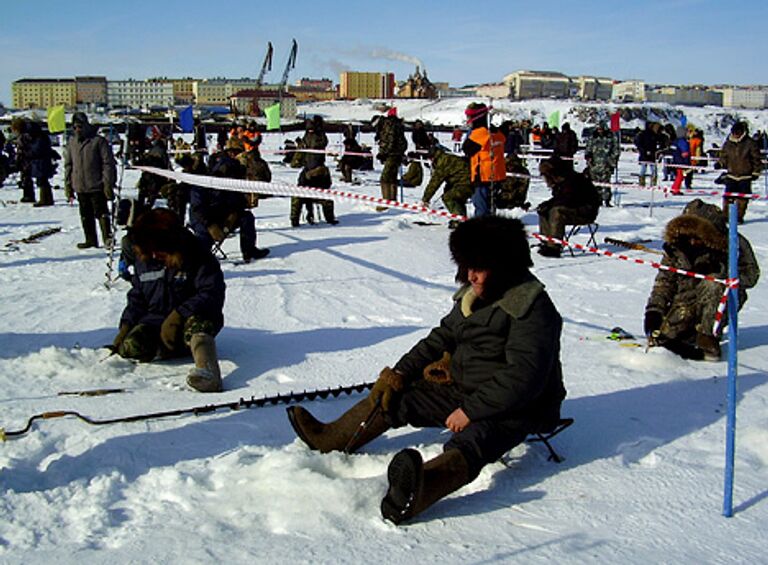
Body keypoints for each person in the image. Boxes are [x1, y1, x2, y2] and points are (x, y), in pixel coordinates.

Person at [286, 215, 566, 525]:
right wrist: (399, 374)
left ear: (504, 267)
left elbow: (523, 378)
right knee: (398, 397)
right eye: (467, 266)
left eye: (480, 268)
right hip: (465, 389)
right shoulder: (473, 297)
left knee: (475, 438)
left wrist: (470, 411)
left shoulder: (532, 308)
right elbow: (441, 337)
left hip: (519, 405)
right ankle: (333, 437)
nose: (471, 276)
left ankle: (418, 490)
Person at [111, 208, 226, 392]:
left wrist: (178, 315)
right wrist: (125, 327)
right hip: (156, 323)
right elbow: (137, 298)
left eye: (159, 250)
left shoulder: (198, 255)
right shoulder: (145, 259)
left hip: (191, 320)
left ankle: (207, 371)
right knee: (132, 346)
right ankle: (166, 351)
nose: (155, 255)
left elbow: (211, 292)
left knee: (199, 325)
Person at [644, 199, 760, 361]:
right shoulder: (676, 246)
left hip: (724, 298)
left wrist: (723, 277)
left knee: (713, 283)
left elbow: (751, 275)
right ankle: (692, 333)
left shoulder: (734, 243)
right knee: (664, 338)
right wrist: (654, 312)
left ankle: (707, 336)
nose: (692, 240)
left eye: (697, 235)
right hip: (686, 298)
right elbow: (664, 282)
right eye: (688, 234)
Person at [64, 112, 116, 249]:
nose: (77, 130)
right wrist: (68, 185)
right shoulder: (72, 142)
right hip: (80, 186)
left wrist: (108, 183)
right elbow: (68, 164)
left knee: (101, 213)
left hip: (97, 184)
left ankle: (107, 238)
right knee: (85, 215)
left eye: (80, 126)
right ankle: (90, 239)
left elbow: (108, 163)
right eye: (74, 127)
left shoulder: (98, 141)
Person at [536, 156, 600, 258]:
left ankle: (554, 247)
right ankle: (546, 242)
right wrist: (546, 205)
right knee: (544, 210)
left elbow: (569, 200)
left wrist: (550, 205)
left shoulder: (573, 180)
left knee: (556, 212)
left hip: (586, 212)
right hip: (574, 209)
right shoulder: (560, 182)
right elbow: (559, 198)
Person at [462, 102, 506, 217]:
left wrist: (472, 132)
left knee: (481, 207)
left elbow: (467, 149)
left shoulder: (479, 133)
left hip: (482, 176)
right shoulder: (497, 132)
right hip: (497, 175)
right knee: (490, 207)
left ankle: (481, 231)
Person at [292, 115, 337, 226]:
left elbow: (322, 142)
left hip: (319, 178)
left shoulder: (320, 136)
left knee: (327, 199)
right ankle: (295, 221)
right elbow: (295, 162)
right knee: (297, 198)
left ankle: (329, 220)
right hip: (307, 174)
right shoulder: (307, 137)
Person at [718, 121, 763, 223]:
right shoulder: (728, 143)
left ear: (742, 132)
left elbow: (757, 159)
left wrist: (756, 172)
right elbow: (724, 156)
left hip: (745, 176)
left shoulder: (750, 143)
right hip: (731, 175)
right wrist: (720, 164)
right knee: (728, 198)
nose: (735, 135)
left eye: (737, 133)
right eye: (734, 133)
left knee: (742, 199)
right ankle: (725, 217)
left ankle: (738, 217)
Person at [419, 146, 474, 224]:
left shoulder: (442, 162)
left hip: (466, 184)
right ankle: (461, 218)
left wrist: (425, 199)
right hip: (466, 182)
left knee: (448, 197)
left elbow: (435, 182)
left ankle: (459, 220)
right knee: (453, 195)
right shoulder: (445, 157)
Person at [375, 107, 407, 209]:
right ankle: (393, 201)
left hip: (391, 154)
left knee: (385, 179)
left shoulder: (389, 124)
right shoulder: (399, 125)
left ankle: (386, 203)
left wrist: (383, 153)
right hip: (397, 154)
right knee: (392, 178)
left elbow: (389, 140)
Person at [584, 122, 620, 206]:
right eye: (598, 129)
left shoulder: (610, 137)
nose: (600, 131)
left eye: (601, 129)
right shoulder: (593, 137)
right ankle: (597, 200)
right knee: (595, 184)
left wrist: (612, 162)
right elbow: (588, 148)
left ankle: (607, 200)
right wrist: (588, 156)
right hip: (594, 165)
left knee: (606, 183)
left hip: (606, 165)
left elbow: (616, 150)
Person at [634, 122, 660, 187]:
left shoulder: (654, 134)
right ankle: (642, 182)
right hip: (645, 154)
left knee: (652, 169)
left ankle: (652, 182)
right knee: (644, 169)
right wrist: (643, 151)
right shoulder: (643, 134)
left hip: (650, 154)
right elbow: (638, 143)